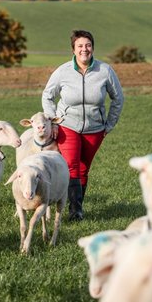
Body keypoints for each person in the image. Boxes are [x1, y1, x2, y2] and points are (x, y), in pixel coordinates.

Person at [42, 30, 124, 221]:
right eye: (80, 46)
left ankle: (76, 205)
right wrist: (53, 120)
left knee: (84, 168)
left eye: (87, 45)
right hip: (67, 125)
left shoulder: (105, 71)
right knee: (72, 166)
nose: (84, 49)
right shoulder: (62, 71)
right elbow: (47, 96)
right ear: (73, 49)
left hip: (95, 128)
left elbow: (118, 98)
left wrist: (109, 124)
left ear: (92, 48)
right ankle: (75, 212)